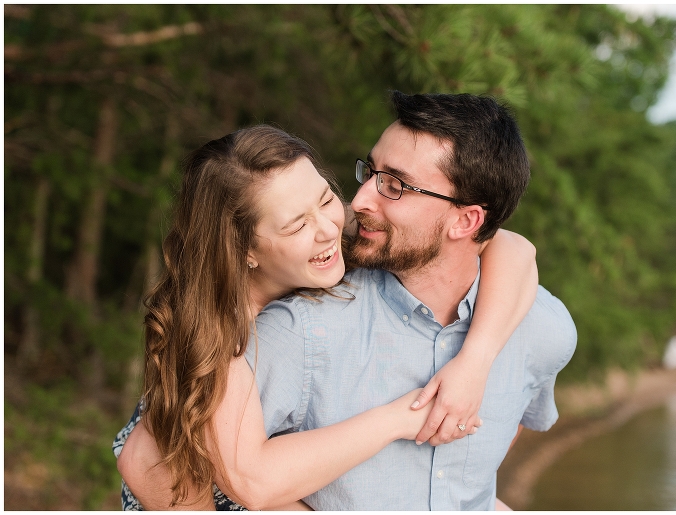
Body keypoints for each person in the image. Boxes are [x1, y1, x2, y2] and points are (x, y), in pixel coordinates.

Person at [114, 120, 540, 509]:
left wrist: (473, 363)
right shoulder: (217, 331)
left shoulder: (330, 236)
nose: (329, 228)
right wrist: (399, 418)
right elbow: (154, 465)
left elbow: (513, 248)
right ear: (242, 249)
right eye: (296, 226)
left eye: (325, 199)